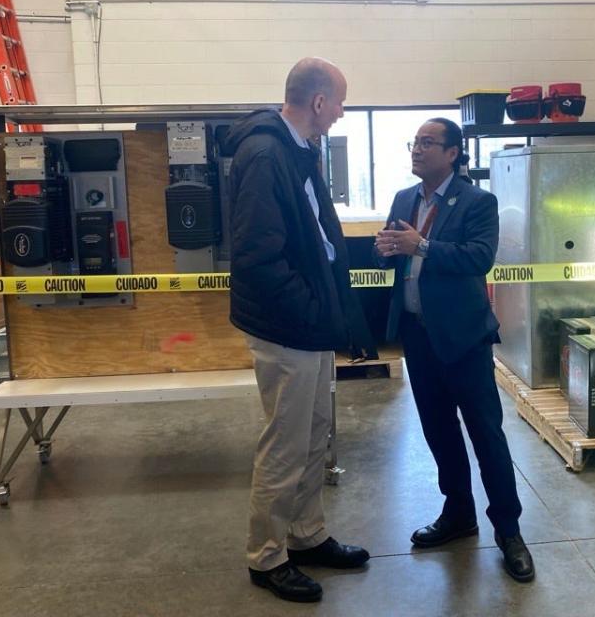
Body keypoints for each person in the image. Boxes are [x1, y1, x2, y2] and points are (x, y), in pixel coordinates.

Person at [226, 57, 370, 603]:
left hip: (309, 326)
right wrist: (312, 310)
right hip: (289, 328)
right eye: (339, 103)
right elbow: (260, 259)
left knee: (314, 436)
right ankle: (266, 557)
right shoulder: (265, 155)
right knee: (286, 444)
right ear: (317, 102)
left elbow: (315, 237)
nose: (340, 113)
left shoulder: (296, 151)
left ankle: (306, 536)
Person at [374, 118, 535, 583]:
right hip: (418, 337)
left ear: (453, 154)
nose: (418, 150)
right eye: (415, 142)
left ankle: (509, 532)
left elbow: (478, 257)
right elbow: (390, 252)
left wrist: (420, 244)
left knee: (486, 435)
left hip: (463, 339)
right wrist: (384, 249)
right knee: (439, 432)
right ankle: (459, 514)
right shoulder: (406, 198)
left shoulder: (478, 202)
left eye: (428, 143)